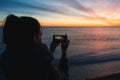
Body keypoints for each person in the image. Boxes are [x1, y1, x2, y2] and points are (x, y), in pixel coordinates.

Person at [1, 14, 70, 80]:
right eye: (40, 33)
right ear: (35, 37)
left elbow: (34, 58)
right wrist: (64, 53)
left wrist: (51, 50)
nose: (41, 36)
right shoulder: (42, 67)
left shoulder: (5, 59)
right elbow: (64, 77)